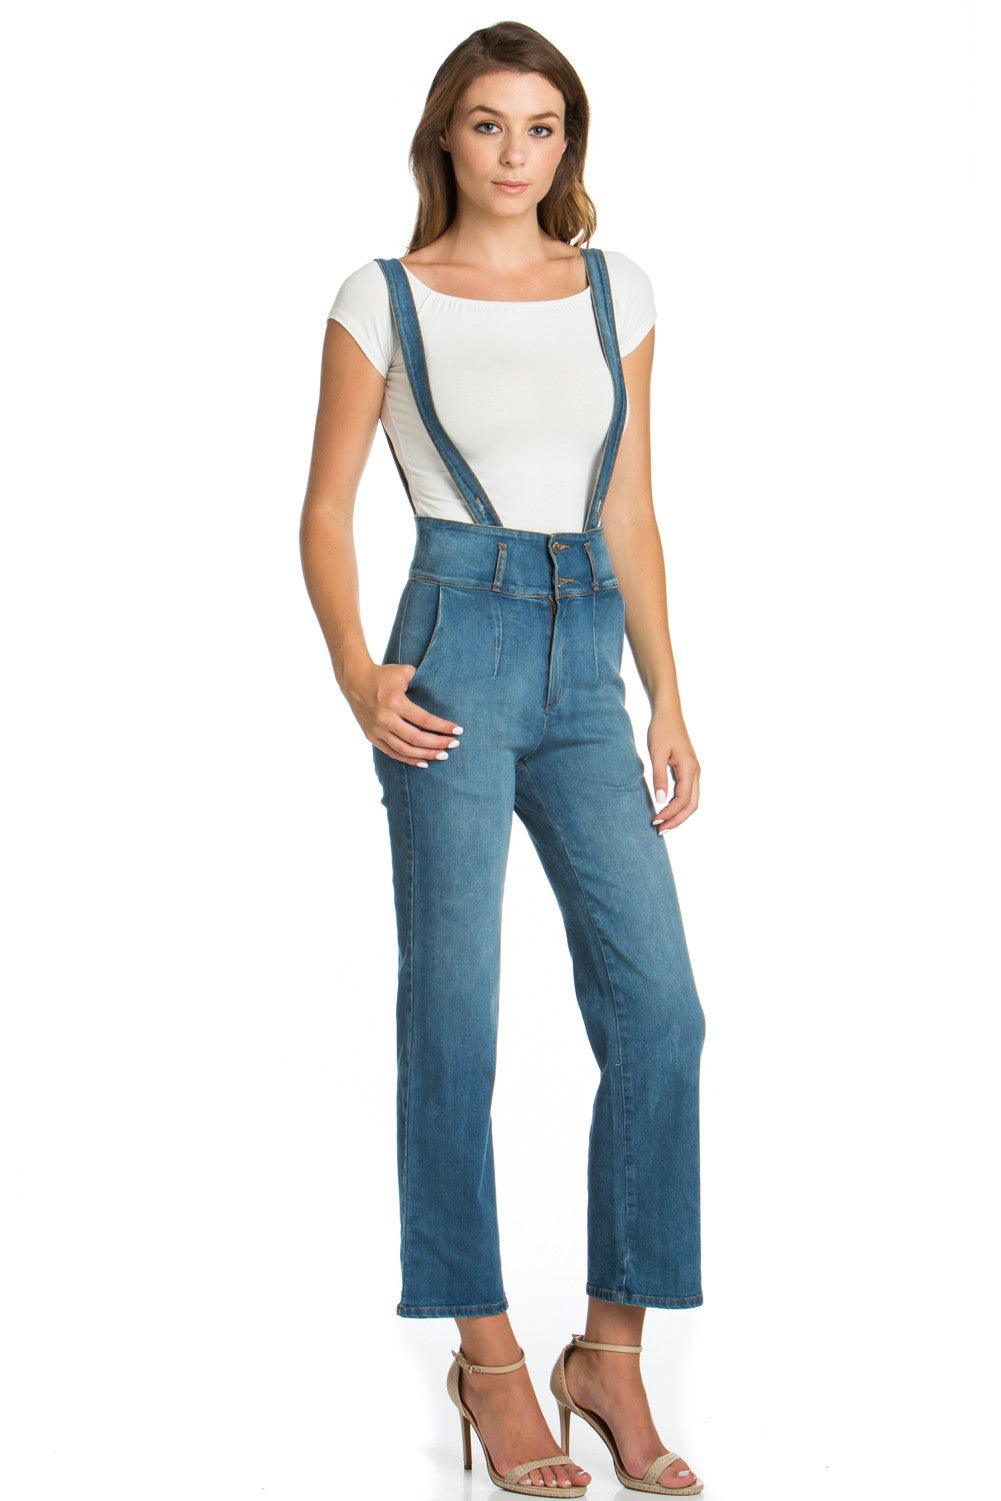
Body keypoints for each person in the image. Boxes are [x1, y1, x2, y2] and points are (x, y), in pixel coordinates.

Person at [299, 21, 706, 1498]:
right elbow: (326, 508)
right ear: (445, 139)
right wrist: (358, 673)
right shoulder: (382, 296)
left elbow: (633, 505)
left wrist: (667, 696)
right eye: (487, 124)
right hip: (452, 647)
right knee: (456, 1012)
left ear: (567, 144)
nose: (515, 152)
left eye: (541, 127)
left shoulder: (617, 289)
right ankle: (485, 1355)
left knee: (660, 1012)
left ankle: (610, 1349)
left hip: (587, 661)